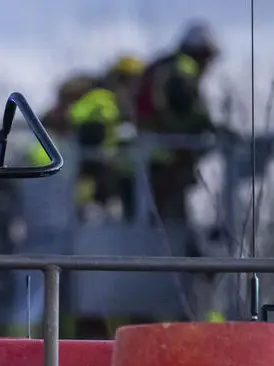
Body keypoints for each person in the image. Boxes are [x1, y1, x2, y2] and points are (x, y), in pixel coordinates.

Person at [134, 21, 221, 223]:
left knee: (161, 209)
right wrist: (210, 128)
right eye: (207, 57)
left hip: (154, 152)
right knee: (171, 218)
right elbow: (187, 109)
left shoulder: (162, 65)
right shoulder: (183, 68)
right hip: (170, 154)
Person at [65, 54, 145, 221]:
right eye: (131, 81)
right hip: (93, 187)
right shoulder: (104, 101)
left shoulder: (104, 99)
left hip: (92, 183)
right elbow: (92, 141)